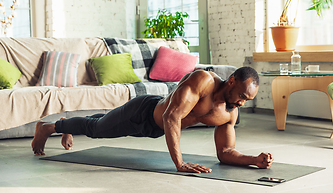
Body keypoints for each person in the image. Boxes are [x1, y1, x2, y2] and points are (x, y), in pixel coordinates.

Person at [32, 66, 273, 173]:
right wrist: (179, 163)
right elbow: (172, 116)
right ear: (231, 80)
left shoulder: (229, 112)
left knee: (103, 122)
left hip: (154, 130)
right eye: (241, 95)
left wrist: (254, 160)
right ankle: (49, 127)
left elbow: (225, 152)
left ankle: (66, 123)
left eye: (246, 100)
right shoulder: (203, 81)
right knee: (97, 129)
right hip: (143, 113)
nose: (242, 102)